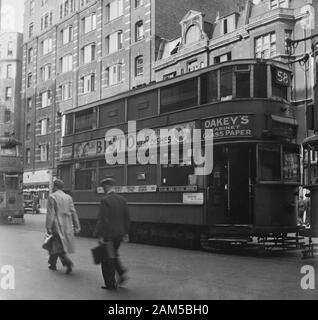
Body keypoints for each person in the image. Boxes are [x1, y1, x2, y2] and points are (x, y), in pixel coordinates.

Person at [94, 178, 130, 291]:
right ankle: (121, 273)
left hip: (108, 234)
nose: (103, 188)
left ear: (107, 186)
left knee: (106, 258)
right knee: (113, 254)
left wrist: (99, 234)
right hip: (119, 234)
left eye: (104, 186)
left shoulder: (105, 200)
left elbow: (102, 219)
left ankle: (110, 284)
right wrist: (126, 233)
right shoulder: (122, 199)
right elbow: (127, 218)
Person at [46, 179, 81, 274]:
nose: (53, 188)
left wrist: (48, 227)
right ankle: (52, 264)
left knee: (57, 245)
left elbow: (51, 214)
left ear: (56, 186)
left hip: (57, 224)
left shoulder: (52, 197)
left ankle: (67, 262)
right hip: (68, 225)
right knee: (57, 244)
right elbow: (73, 212)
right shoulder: (68, 197)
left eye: (53, 186)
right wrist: (77, 225)